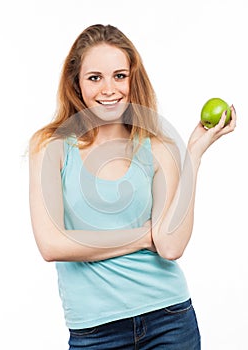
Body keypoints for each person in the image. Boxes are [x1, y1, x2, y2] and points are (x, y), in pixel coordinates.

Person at [29, 24, 236, 349]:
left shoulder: (155, 146)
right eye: (94, 77)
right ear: (76, 82)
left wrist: (193, 152)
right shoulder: (51, 147)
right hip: (95, 332)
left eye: (120, 76)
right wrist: (143, 236)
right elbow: (52, 245)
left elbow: (169, 246)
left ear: (132, 79)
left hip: (169, 320)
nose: (109, 88)